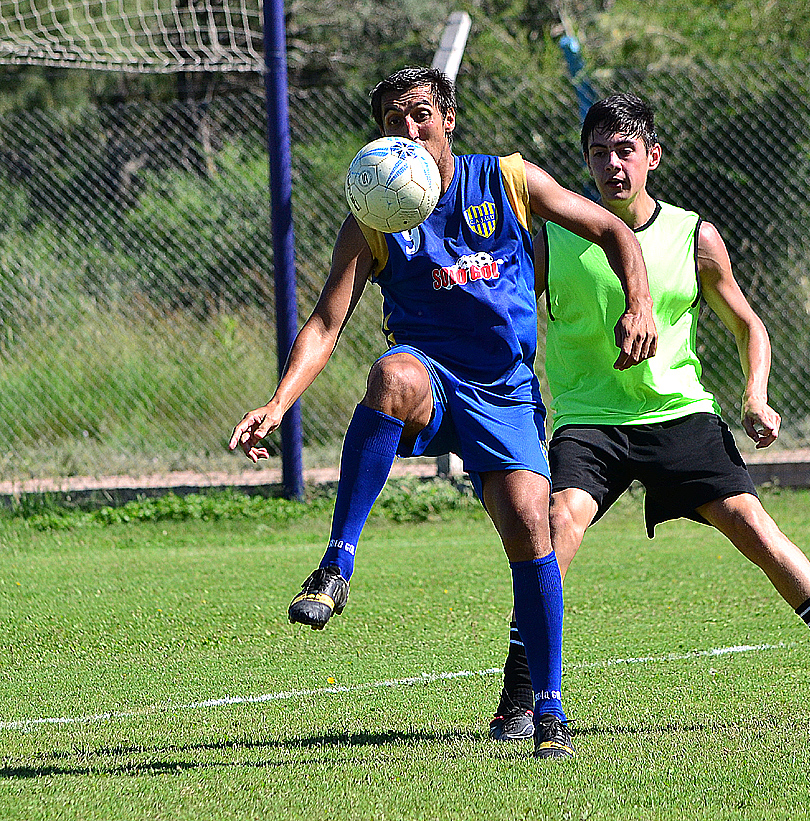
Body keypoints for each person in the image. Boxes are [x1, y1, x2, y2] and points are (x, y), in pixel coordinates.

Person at [228, 68, 658, 760]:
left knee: (529, 526)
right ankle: (336, 564)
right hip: (432, 378)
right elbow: (324, 322)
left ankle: (546, 708)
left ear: (448, 119)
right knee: (392, 372)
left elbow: (615, 231)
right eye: (394, 120)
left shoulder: (509, 180)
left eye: (421, 114)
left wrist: (638, 303)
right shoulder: (374, 212)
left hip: (505, 388)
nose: (409, 130)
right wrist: (278, 402)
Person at [488, 93, 810, 742]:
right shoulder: (555, 235)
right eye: (598, 153)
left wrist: (755, 396)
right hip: (589, 420)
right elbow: (507, 315)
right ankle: (518, 700)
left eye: (625, 150)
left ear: (652, 155)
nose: (612, 165)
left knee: (752, 525)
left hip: (679, 413)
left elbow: (747, 323)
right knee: (555, 526)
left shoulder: (694, 234)